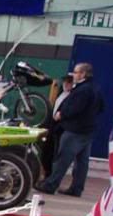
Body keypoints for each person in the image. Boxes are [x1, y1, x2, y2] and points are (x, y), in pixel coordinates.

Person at [37, 62, 104, 197]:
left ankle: (50, 185)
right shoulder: (95, 88)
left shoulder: (82, 90)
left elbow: (75, 108)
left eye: (75, 72)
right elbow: (101, 107)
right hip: (88, 130)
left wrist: (62, 114)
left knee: (62, 158)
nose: (73, 75)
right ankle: (76, 188)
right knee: (82, 162)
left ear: (83, 74)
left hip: (75, 130)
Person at [40, 74, 73, 178]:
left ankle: (51, 176)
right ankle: (47, 172)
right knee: (46, 151)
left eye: (69, 82)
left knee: (56, 153)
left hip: (60, 128)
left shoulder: (72, 96)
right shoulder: (60, 93)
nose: (66, 84)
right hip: (52, 125)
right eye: (65, 81)